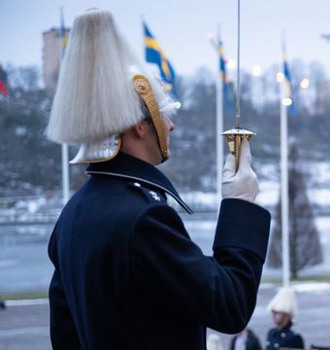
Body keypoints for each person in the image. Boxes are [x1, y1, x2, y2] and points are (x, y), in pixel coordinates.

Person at [46, 9, 271, 349]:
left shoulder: (73, 213)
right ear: (138, 126)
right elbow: (229, 306)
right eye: (165, 115)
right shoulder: (143, 219)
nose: (171, 126)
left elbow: (65, 335)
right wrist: (240, 205)